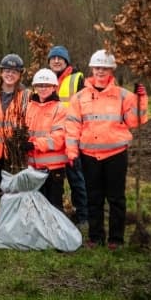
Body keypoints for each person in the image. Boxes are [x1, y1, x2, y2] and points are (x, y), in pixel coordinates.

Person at [66, 50, 148, 250]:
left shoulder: (124, 96)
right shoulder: (79, 97)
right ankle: (95, 237)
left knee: (116, 198)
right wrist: (71, 152)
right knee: (93, 198)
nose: (100, 71)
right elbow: (72, 126)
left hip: (116, 155)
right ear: (91, 69)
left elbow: (136, 121)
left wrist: (141, 99)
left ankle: (116, 239)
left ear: (111, 70)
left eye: (104, 68)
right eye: (97, 67)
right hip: (89, 156)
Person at [48, 44, 87, 225]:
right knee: (54, 180)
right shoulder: (45, 79)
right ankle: (55, 212)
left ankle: (82, 215)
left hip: (72, 137)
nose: (56, 61)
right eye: (53, 58)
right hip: (53, 138)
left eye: (60, 58)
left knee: (76, 178)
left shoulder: (77, 79)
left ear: (66, 61)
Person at [25, 69, 71, 210]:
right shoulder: (28, 107)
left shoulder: (60, 109)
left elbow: (58, 139)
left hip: (53, 169)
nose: (43, 88)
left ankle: (56, 232)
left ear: (54, 87)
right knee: (36, 206)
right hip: (33, 167)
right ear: (35, 87)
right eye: (40, 85)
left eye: (47, 85)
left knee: (54, 206)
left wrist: (33, 144)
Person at [0, 54, 29, 201]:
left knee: (19, 190)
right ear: (1, 72)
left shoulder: (26, 96)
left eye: (14, 71)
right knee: (2, 190)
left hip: (18, 153)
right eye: (7, 70)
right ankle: (4, 221)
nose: (10, 74)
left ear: (20, 75)